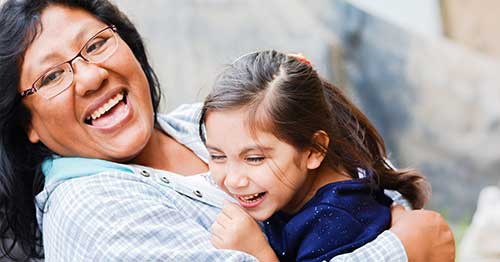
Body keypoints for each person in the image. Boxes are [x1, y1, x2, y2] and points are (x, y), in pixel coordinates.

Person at [0, 0, 455, 261]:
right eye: (53, 76)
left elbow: (369, 175)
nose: (91, 75)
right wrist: (402, 247)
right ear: (28, 125)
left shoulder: (197, 121)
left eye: (96, 43)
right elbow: (417, 235)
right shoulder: (94, 216)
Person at [199, 51, 429, 261]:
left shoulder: (335, 222)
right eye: (218, 156)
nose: (233, 180)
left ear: (314, 150)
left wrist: (258, 254)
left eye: (255, 159)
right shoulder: (301, 188)